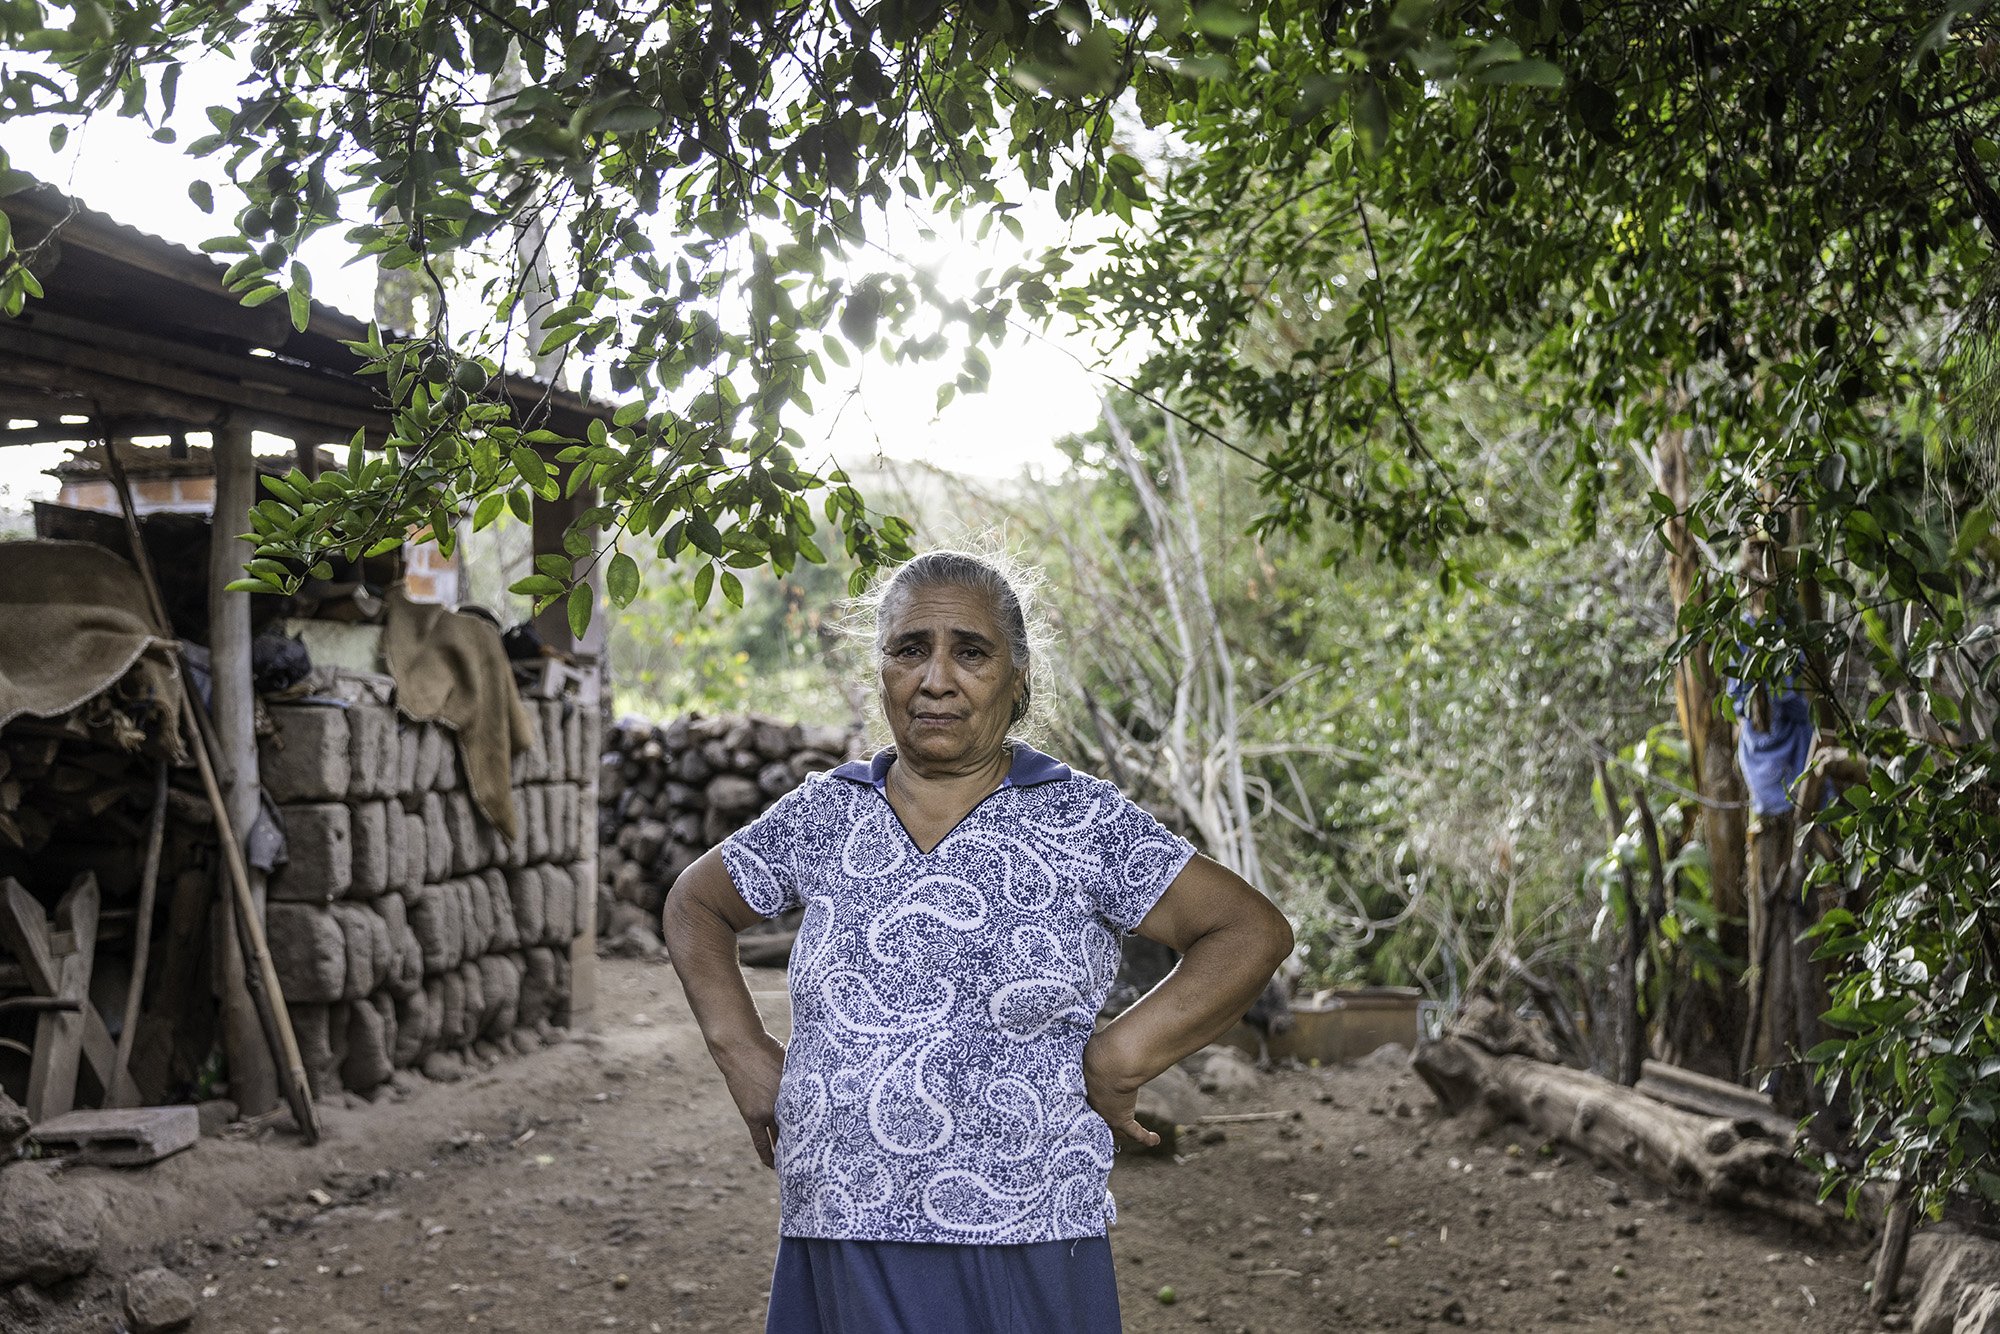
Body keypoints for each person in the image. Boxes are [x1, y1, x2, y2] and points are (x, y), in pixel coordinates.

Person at [662, 550, 1294, 1334]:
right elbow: (697, 903)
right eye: (908, 649)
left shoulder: (1082, 824)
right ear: (881, 668)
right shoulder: (826, 815)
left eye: (970, 652)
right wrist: (743, 1052)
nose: (935, 679)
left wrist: (1121, 1055)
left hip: (1029, 1226)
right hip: (841, 1212)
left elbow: (1248, 931)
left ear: (1017, 677)